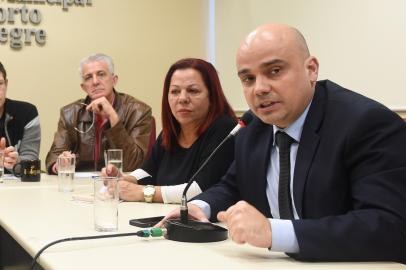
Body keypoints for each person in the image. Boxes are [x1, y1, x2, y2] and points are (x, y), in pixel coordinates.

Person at [158, 24, 406, 262]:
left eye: (274, 71)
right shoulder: (253, 126)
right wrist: (200, 207)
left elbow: (388, 227)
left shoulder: (365, 123)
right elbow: (232, 186)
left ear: (311, 69)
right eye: (248, 78)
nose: (260, 89)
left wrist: (273, 233)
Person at [103, 58, 237, 204]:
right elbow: (148, 170)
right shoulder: (174, 129)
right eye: (175, 91)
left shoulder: (225, 129)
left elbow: (199, 189)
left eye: (193, 91)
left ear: (212, 96)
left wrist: (143, 193)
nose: (182, 98)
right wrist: (125, 179)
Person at [46, 53, 152, 173]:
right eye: (88, 77)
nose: (95, 82)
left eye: (101, 74)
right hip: (81, 185)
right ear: (84, 87)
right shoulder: (69, 113)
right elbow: (53, 157)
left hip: (120, 183)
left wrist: (113, 117)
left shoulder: (138, 111)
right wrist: (59, 164)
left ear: (114, 80)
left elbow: (133, 165)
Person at [0, 61, 40, 172]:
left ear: (6, 84)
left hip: (17, 186)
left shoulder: (27, 113)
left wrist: (16, 162)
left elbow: (31, 160)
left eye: (0, 83)